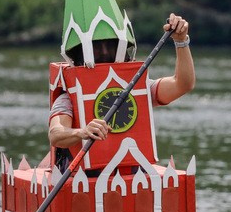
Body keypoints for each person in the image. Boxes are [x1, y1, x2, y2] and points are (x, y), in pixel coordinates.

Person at [47, 13, 195, 151]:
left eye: (110, 45)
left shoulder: (139, 88)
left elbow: (182, 84)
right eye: (97, 46)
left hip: (132, 173)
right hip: (85, 176)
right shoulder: (69, 97)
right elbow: (55, 134)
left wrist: (181, 41)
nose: (105, 52)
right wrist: (82, 132)